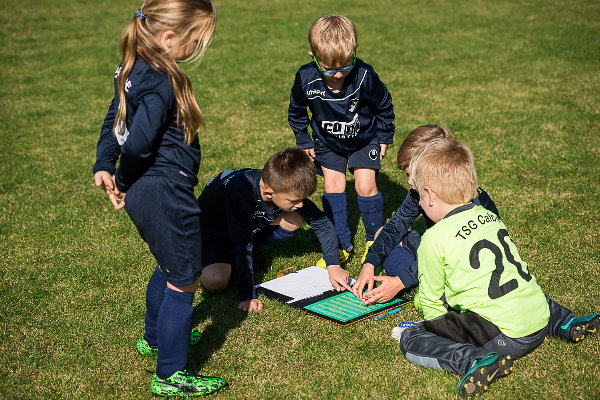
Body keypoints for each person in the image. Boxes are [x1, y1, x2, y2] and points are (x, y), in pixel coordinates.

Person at [92, 0, 227, 396]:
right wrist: (122, 177)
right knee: (184, 279)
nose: (199, 47)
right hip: (165, 189)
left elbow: (113, 116)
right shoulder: (162, 81)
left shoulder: (130, 65)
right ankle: (169, 374)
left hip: (150, 191)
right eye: (196, 40)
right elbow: (137, 146)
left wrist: (103, 161)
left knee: (169, 265)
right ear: (170, 38)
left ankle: (154, 338)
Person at [395, 138, 599, 396]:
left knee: (412, 338)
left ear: (431, 195)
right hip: (538, 316)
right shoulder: (488, 216)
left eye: (420, 197)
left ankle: (472, 360)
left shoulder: (433, 239)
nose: (420, 204)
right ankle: (566, 322)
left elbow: (432, 303)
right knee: (521, 292)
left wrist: (441, 329)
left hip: (506, 336)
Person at [288, 15, 395, 265]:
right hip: (327, 142)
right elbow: (296, 111)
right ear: (312, 56)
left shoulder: (365, 74)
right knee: (333, 187)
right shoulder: (306, 78)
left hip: (364, 139)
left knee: (365, 186)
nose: (337, 75)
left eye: (345, 67)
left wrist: (384, 136)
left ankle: (374, 240)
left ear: (354, 52)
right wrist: (304, 140)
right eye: (329, 69)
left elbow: (383, 104)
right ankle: (341, 243)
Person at [352, 125, 499, 304]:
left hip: (464, 267)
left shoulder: (467, 202)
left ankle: (420, 291)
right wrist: (370, 263)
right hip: (441, 253)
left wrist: (399, 282)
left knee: (420, 271)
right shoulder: (419, 192)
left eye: (411, 174)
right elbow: (397, 225)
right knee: (381, 233)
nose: (409, 181)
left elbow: (452, 257)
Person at [197, 147, 350, 311]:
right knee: (216, 281)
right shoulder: (240, 194)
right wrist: (247, 295)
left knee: (295, 217)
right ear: (269, 192)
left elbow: (322, 222)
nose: (299, 204)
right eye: (293, 200)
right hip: (211, 235)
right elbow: (242, 245)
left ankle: (248, 253)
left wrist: (333, 265)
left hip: (244, 229)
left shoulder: (280, 184)